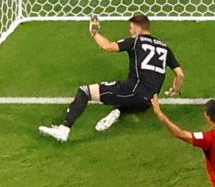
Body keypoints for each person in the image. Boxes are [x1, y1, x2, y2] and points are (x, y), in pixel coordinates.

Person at [38, 13, 185, 142]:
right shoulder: (164, 47)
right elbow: (180, 74)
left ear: (138, 29)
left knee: (85, 91)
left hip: (133, 90)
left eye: (131, 28)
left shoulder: (135, 41)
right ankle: (118, 111)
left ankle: (63, 129)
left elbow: (107, 46)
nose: (130, 30)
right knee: (128, 97)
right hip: (150, 101)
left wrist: (94, 31)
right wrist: (175, 89)